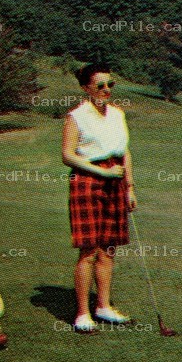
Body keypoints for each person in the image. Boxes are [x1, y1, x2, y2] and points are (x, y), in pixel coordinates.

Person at [61, 63, 135, 334]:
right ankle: (82, 312)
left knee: (109, 248)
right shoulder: (76, 116)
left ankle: (103, 305)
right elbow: (68, 155)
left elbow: (125, 152)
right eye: (100, 85)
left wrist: (130, 187)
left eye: (110, 85)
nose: (106, 90)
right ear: (85, 88)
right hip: (87, 180)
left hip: (116, 181)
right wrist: (101, 171)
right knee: (89, 249)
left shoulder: (117, 115)